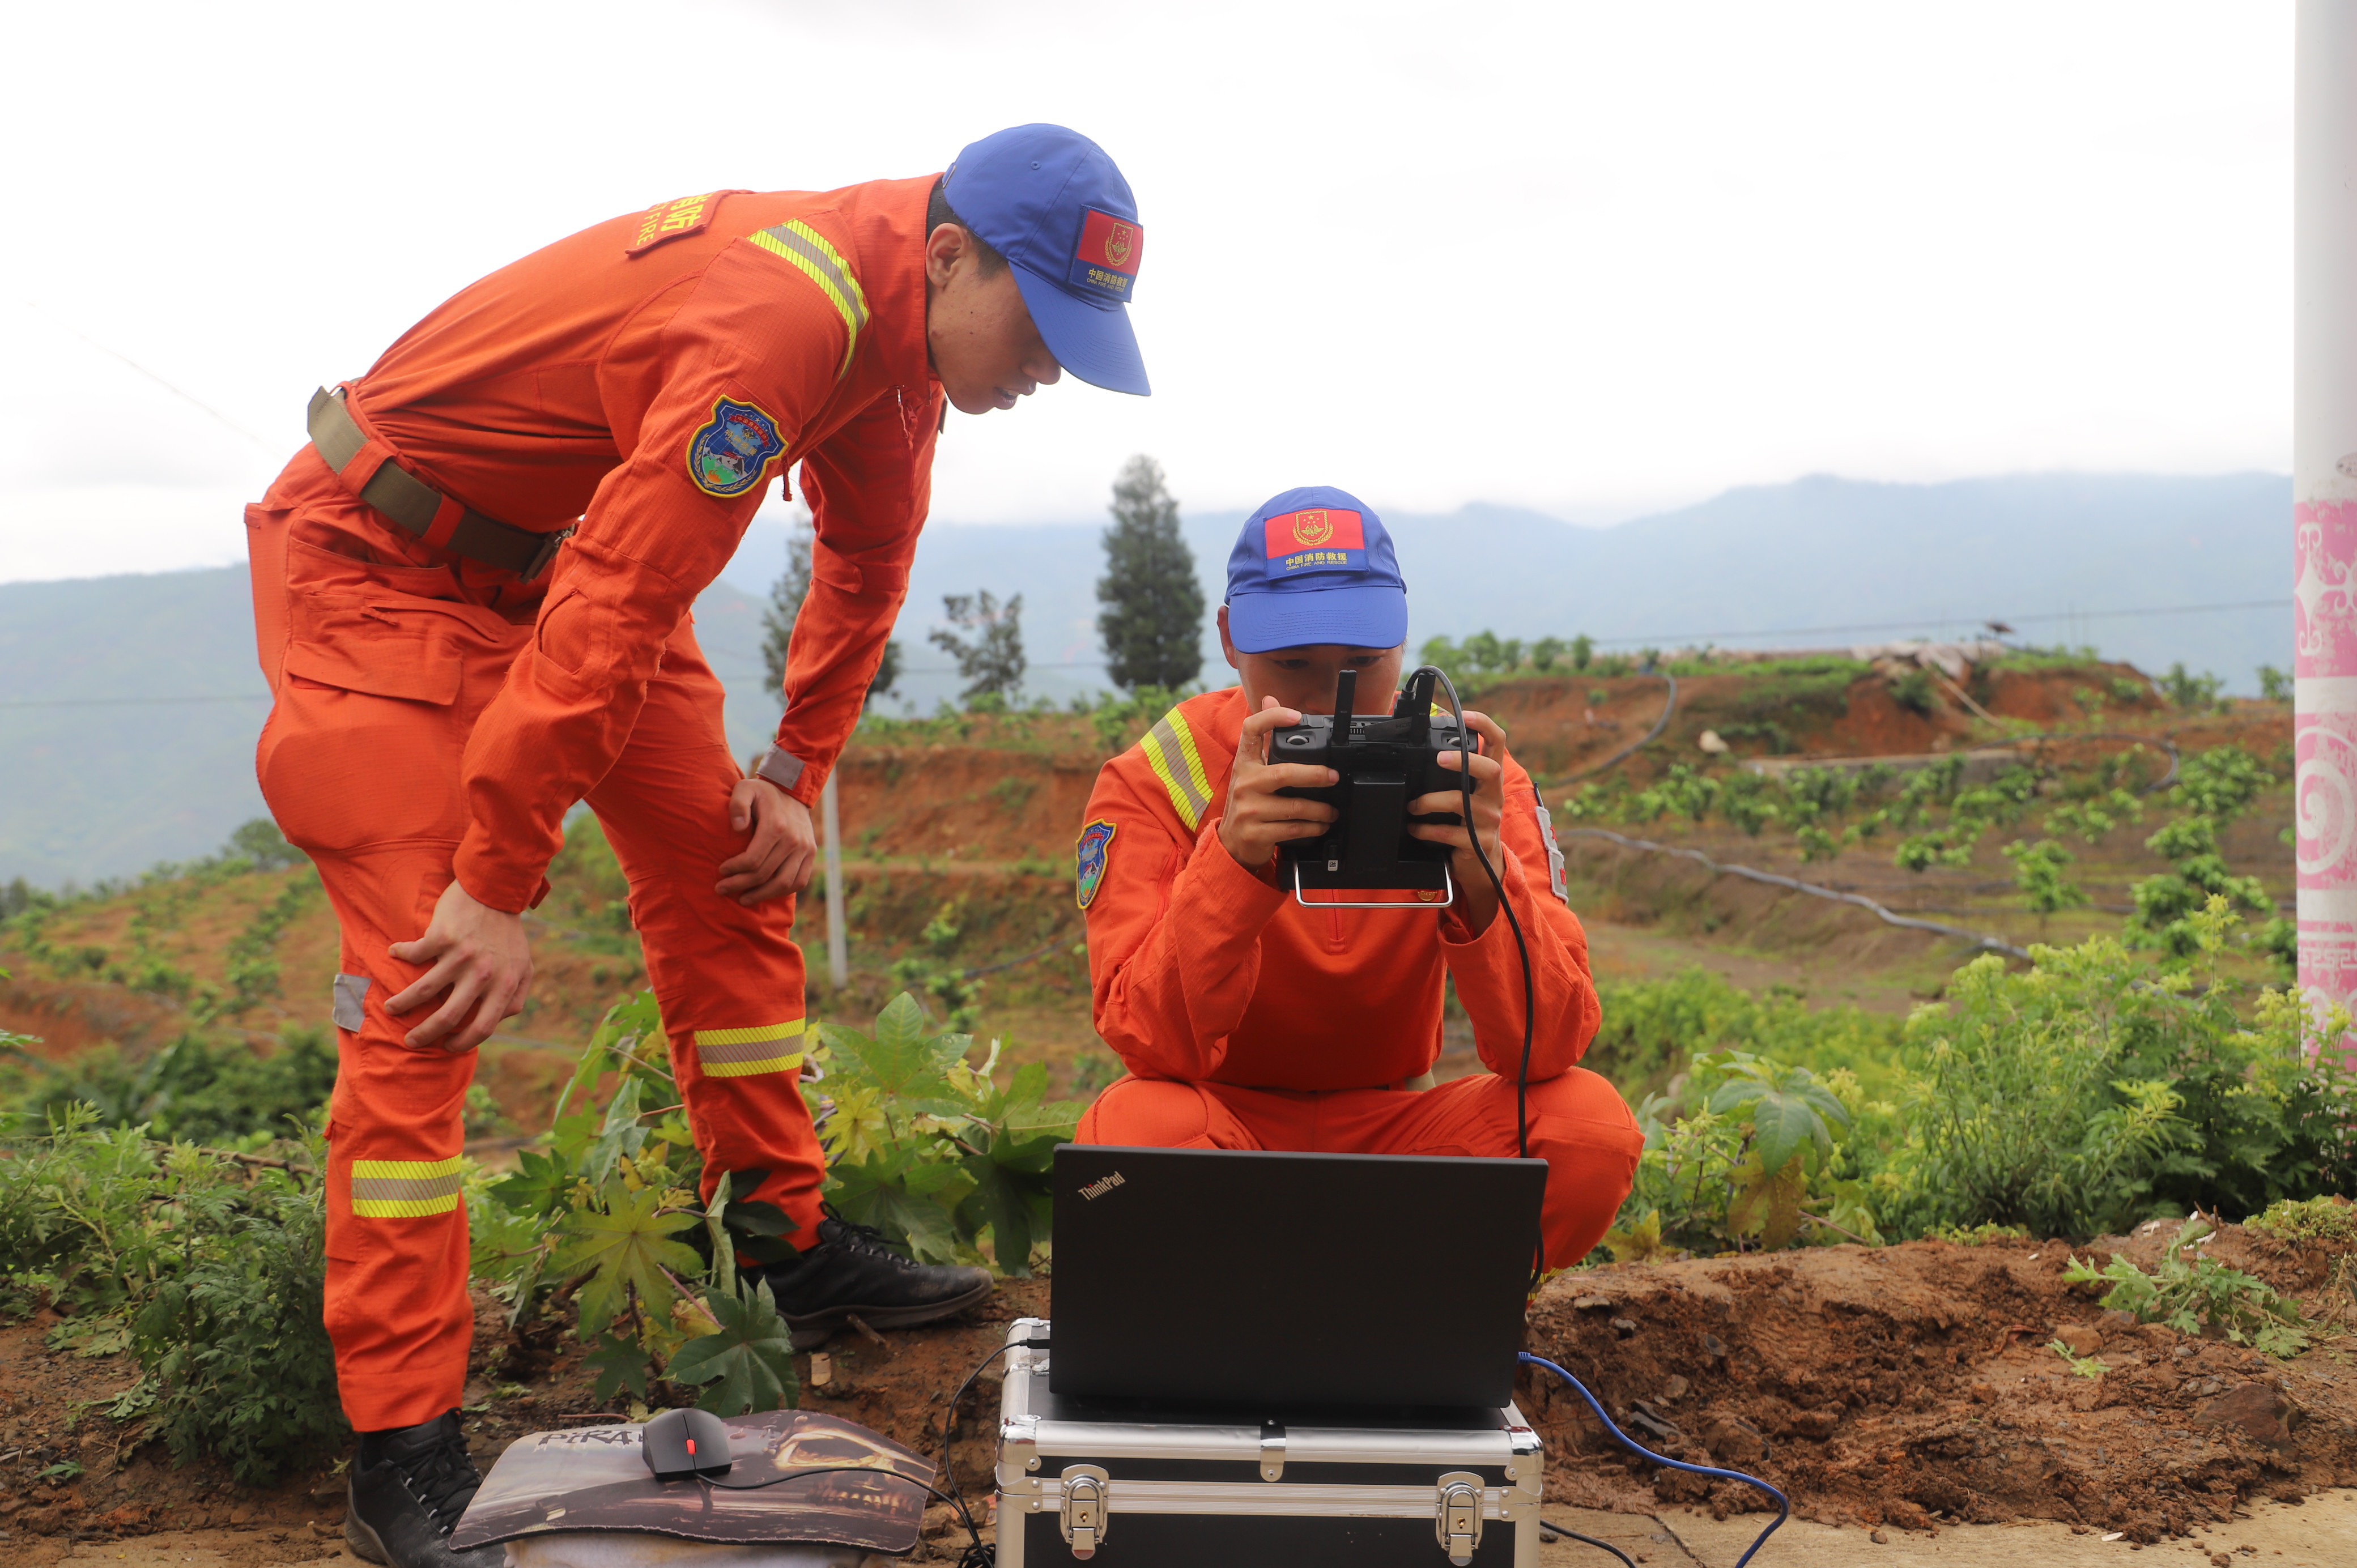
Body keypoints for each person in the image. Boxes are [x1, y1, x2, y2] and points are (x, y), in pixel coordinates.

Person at [244, 125, 1151, 1568]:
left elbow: (866, 558)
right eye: (1044, 320)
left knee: (734, 862)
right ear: (952, 254)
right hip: (380, 568)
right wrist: (494, 881)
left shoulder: (899, 354)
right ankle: (398, 1448)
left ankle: (781, 1246)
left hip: (557, 572)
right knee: (427, 984)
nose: (1055, 362)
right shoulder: (788, 315)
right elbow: (621, 593)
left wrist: (795, 770)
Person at [1075, 487, 1643, 1272]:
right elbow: (1152, 1044)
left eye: (1363, 666)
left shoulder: (1473, 776)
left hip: (1401, 1132)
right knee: (1135, 1134)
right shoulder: (1157, 779)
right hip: (1224, 1130)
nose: (1325, 700)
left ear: (1404, 642)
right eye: (1293, 664)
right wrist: (1232, 863)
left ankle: (1433, 1318)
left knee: (1586, 1128)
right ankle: (1228, 1326)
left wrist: (1486, 883)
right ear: (1232, 638)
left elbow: (1549, 1048)